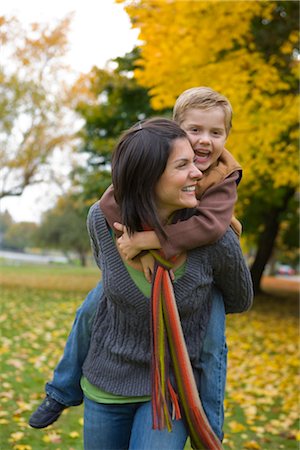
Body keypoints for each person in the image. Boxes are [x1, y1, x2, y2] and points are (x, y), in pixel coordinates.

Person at [29, 87, 242, 439]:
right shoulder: (151, 160)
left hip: (205, 263)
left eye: (216, 133)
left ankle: (210, 434)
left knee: (212, 348)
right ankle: (62, 389)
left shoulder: (225, 174)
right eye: (194, 131)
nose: (205, 142)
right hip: (113, 364)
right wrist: (126, 239)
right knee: (90, 310)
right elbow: (112, 203)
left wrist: (148, 241)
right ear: (175, 133)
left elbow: (211, 226)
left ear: (226, 137)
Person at [81, 118, 253, 449]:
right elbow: (108, 278)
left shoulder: (214, 238)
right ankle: (61, 390)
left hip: (170, 390)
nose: (199, 174)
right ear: (150, 177)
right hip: (107, 380)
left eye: (194, 162)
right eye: (183, 165)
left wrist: (165, 249)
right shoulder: (101, 222)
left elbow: (240, 299)